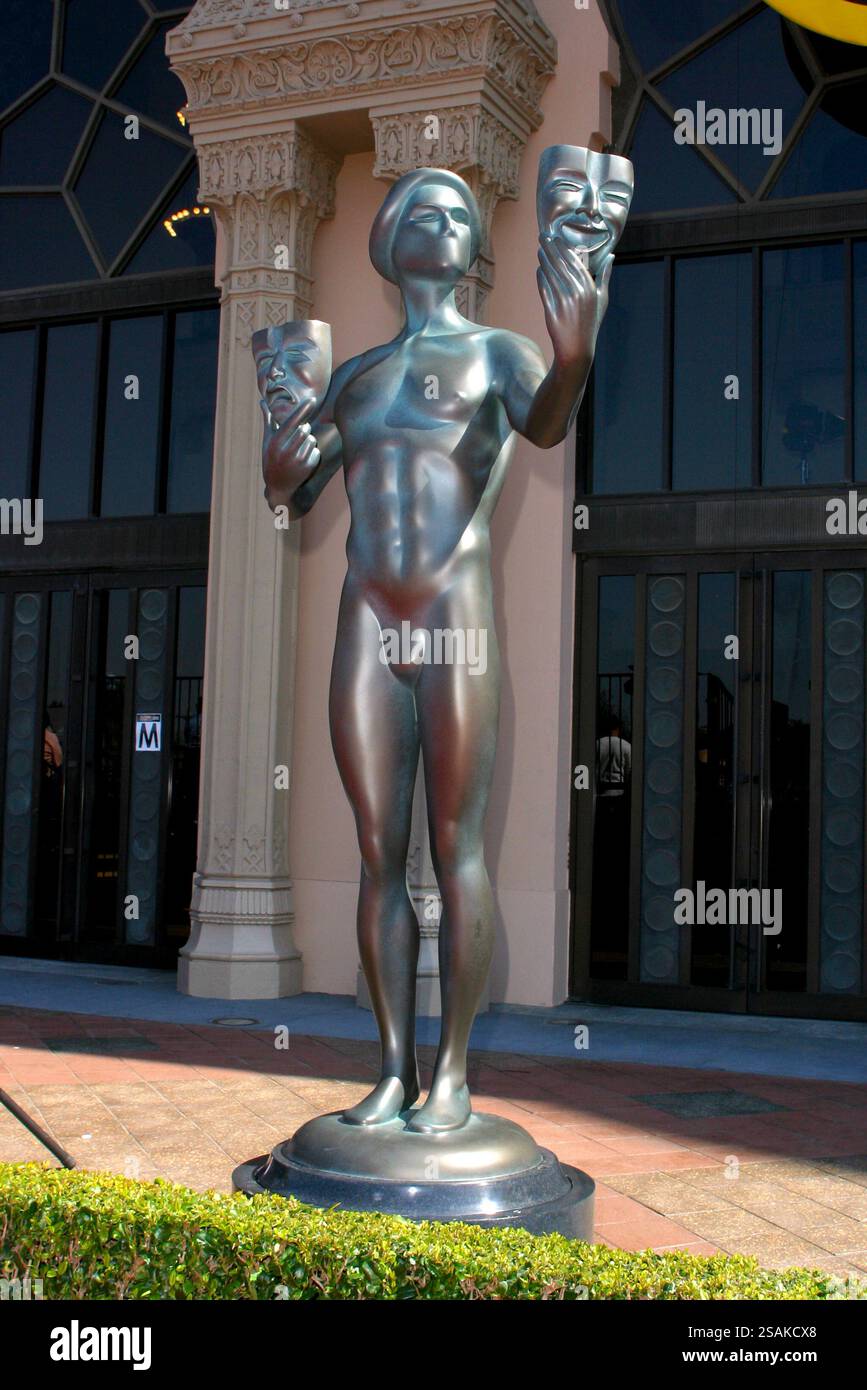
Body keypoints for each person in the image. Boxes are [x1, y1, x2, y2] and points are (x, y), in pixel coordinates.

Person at [261, 168, 615, 1132]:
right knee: (381, 852)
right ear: (389, 238)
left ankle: (451, 1073)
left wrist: (572, 354)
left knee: (455, 850)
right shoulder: (358, 376)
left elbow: (545, 425)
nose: (448, 222)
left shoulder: (497, 353)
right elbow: (291, 489)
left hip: (454, 613)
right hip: (367, 620)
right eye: (427, 208)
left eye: (463, 214)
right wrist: (279, 459)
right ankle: (388, 1069)